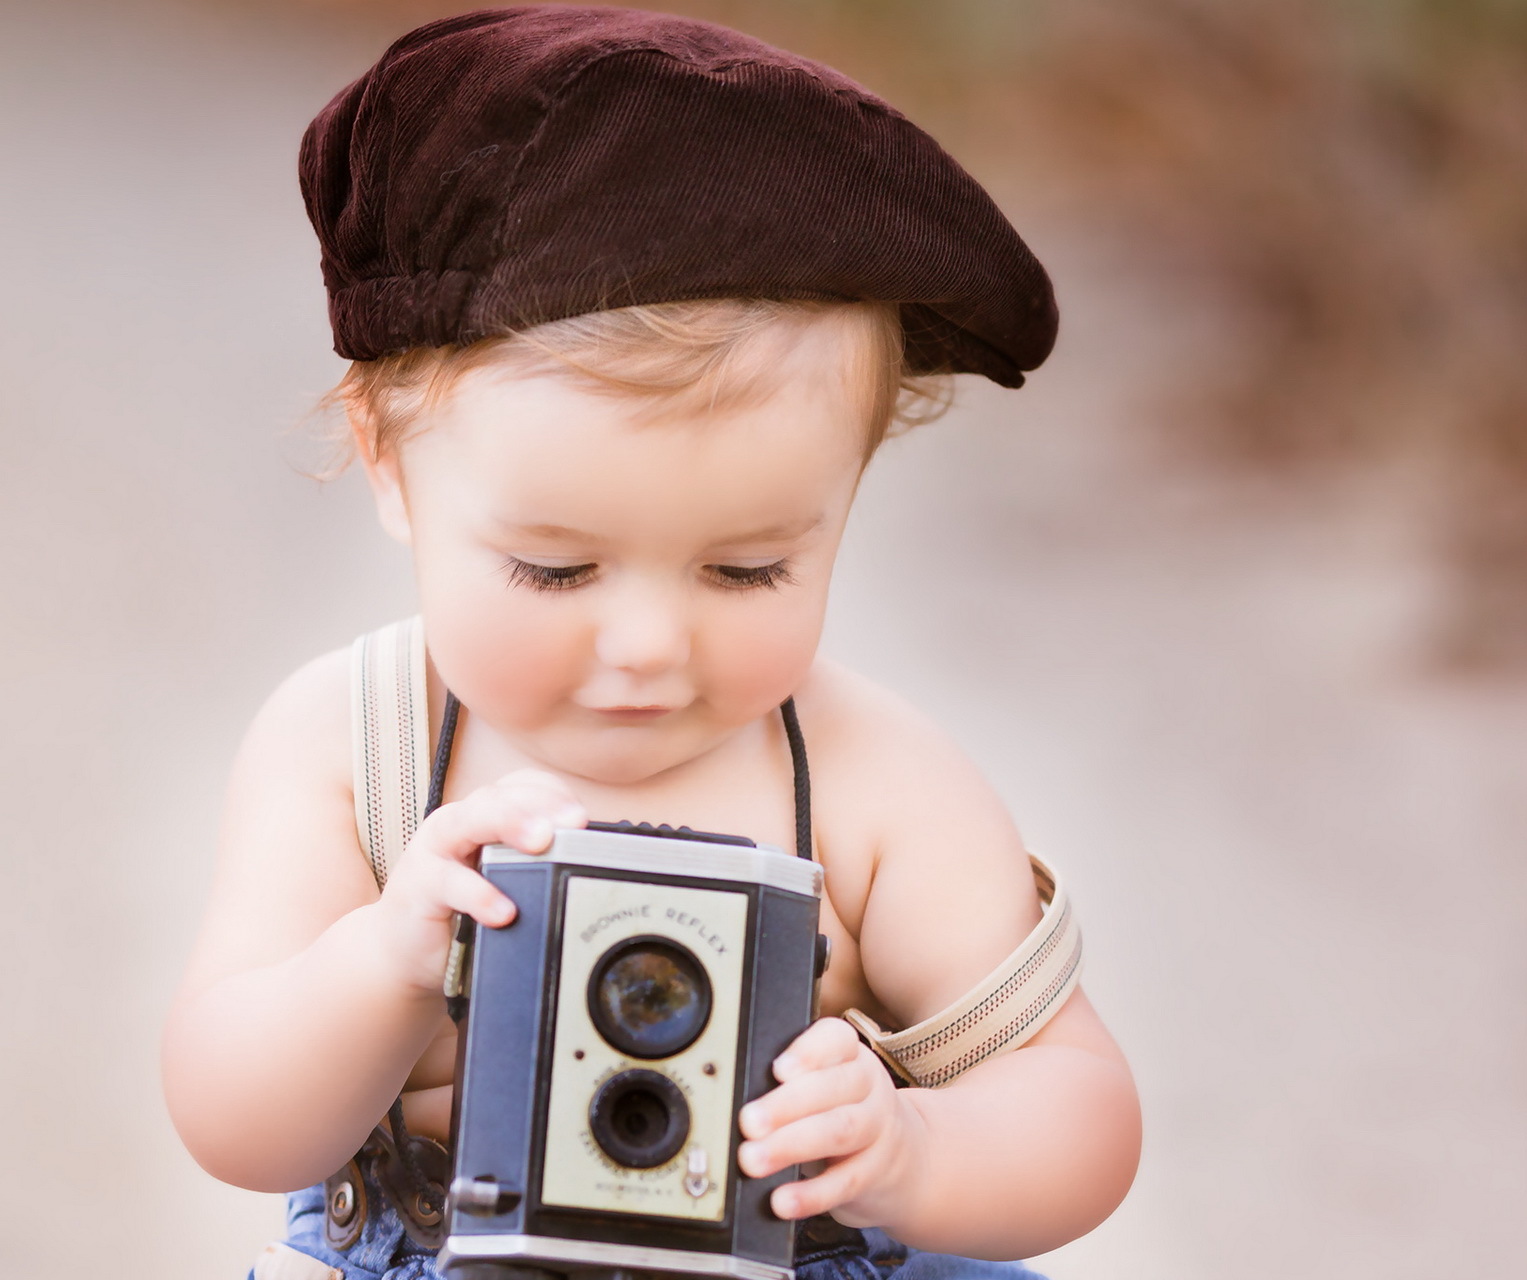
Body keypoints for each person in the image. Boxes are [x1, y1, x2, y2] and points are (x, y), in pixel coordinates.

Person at [161, 9, 1141, 1280]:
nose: (646, 645)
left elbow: (1079, 1105)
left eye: (749, 568)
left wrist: (920, 1147)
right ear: (388, 462)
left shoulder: (867, 776)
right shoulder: (358, 744)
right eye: (554, 567)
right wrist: (382, 966)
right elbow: (232, 1113)